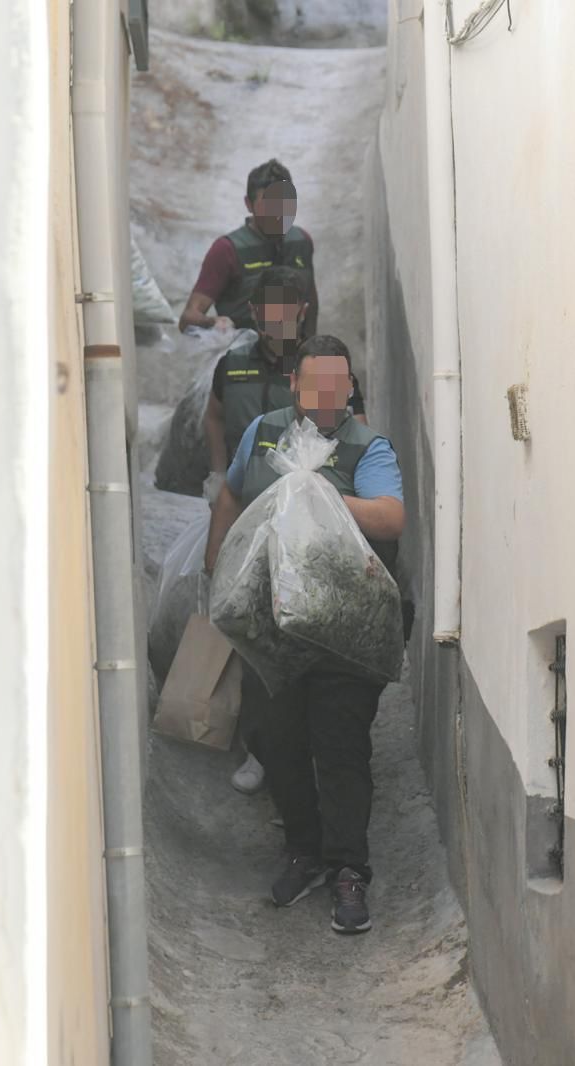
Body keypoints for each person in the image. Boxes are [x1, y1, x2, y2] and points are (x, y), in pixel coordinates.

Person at [203, 335, 406, 936]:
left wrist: (321, 496)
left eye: (336, 385)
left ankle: (349, 871)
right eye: (313, 383)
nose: (324, 395)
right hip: (272, 625)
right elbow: (234, 492)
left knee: (339, 745)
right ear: (295, 383)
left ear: (349, 389)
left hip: (345, 628)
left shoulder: (367, 446)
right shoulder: (264, 432)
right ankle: (304, 851)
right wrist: (217, 564)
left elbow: (391, 515)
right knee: (277, 738)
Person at [202, 267, 366, 797]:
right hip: (260, 531)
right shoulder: (236, 368)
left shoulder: (326, 370)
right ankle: (262, 751)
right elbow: (220, 431)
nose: (277, 317)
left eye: (287, 307)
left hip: (317, 541)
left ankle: (310, 762)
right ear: (256, 313)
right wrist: (216, 553)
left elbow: (357, 436)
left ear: (301, 312)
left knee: (310, 651)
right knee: (259, 650)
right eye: (268, 307)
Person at [178, 159, 319, 340]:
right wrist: (213, 322)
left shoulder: (302, 241)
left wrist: (309, 351)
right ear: (248, 204)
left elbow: (312, 303)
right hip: (245, 360)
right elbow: (187, 319)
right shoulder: (227, 250)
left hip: (290, 359)